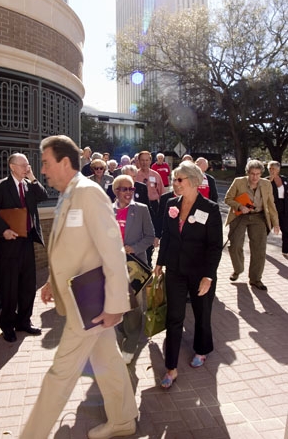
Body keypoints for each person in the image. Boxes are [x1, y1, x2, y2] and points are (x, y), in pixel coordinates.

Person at [20, 135, 138, 439]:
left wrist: (115, 305)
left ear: (64, 162)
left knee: (59, 375)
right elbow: (71, 247)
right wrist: (51, 281)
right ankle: (124, 421)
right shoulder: (68, 193)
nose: (42, 170)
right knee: (108, 362)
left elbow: (112, 249)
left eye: (46, 163)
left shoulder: (88, 193)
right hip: (81, 300)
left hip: (91, 304)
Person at [154, 161, 222, 388]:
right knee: (174, 317)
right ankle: (171, 368)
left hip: (200, 271)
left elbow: (214, 246)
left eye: (179, 179)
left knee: (202, 313)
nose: (174, 183)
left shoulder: (210, 209)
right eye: (174, 179)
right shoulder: (171, 204)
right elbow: (166, 235)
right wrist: (160, 263)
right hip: (175, 270)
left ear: (193, 181)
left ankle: (202, 350)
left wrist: (209, 276)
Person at [0, 153, 48, 343]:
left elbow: (43, 196)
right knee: (9, 287)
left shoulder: (29, 185)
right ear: (12, 167)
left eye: (28, 165)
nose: (27, 168)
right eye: (23, 165)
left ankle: (24, 322)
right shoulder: (1, 186)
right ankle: (8, 325)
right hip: (8, 243)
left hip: (27, 241)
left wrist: (33, 178)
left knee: (28, 285)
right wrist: (3, 230)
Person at [112, 175, 155, 364]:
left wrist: (134, 248)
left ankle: (130, 345)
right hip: (113, 266)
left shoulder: (142, 210)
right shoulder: (107, 210)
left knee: (135, 306)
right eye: (124, 189)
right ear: (116, 191)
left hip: (135, 266)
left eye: (131, 189)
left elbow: (150, 237)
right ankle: (123, 331)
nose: (128, 192)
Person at [225, 159, 280, 291]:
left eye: (257, 174)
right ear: (247, 173)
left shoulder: (266, 184)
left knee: (259, 249)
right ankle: (238, 269)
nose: (255, 177)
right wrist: (239, 206)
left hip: (258, 217)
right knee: (235, 245)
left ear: (261, 173)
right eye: (252, 174)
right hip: (240, 216)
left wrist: (276, 224)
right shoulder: (238, 182)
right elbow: (228, 198)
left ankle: (255, 279)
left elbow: (271, 205)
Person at [136, 151, 164, 266]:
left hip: (153, 206)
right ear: (138, 161)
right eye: (142, 160)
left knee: (151, 232)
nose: (144, 162)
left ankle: (149, 258)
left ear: (150, 161)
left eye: (147, 160)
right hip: (139, 207)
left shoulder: (156, 175)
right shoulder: (135, 175)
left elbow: (162, 193)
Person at [267, 161, 288, 259]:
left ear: (278, 169)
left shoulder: (284, 179)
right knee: (266, 229)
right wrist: (269, 181)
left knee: (286, 229)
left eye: (273, 169)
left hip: (284, 207)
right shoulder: (266, 181)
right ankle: (259, 246)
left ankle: (285, 250)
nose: (271, 170)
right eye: (270, 169)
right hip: (272, 208)